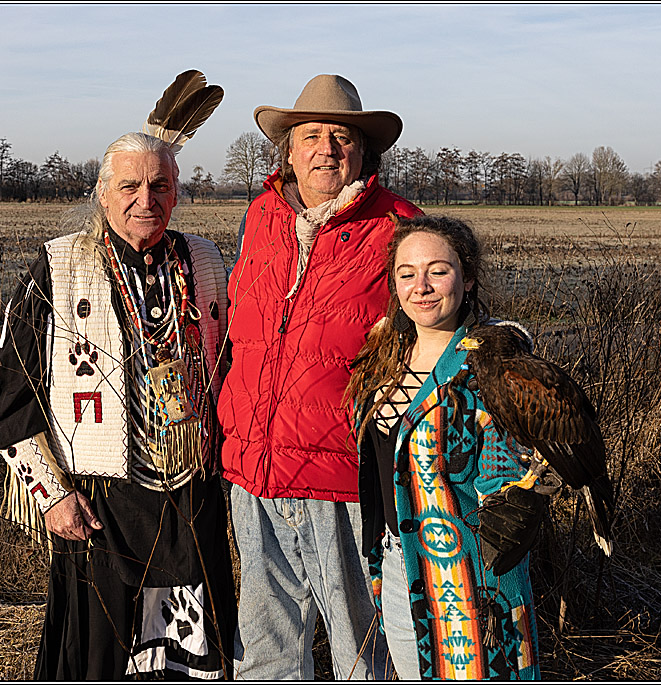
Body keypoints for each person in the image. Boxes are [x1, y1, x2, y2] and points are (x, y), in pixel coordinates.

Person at [0, 71, 236, 679]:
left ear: (177, 192)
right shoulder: (59, 267)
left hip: (189, 495)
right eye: (130, 186)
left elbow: (231, 365)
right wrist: (50, 495)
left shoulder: (203, 261)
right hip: (99, 500)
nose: (145, 199)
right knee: (100, 653)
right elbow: (10, 401)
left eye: (159, 184)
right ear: (102, 192)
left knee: (191, 651)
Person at [217, 74, 421, 679]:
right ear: (288, 148)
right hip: (253, 473)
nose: (325, 148)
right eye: (310, 135)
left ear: (364, 151)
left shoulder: (399, 227)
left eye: (341, 136)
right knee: (267, 645)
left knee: (364, 649)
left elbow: (438, 341)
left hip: (345, 478)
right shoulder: (262, 216)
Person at [345, 215, 543, 680]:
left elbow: (510, 484)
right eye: (407, 274)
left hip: (470, 576)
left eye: (438, 270)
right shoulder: (385, 355)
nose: (422, 286)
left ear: (467, 277)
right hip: (397, 565)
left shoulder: (494, 365)